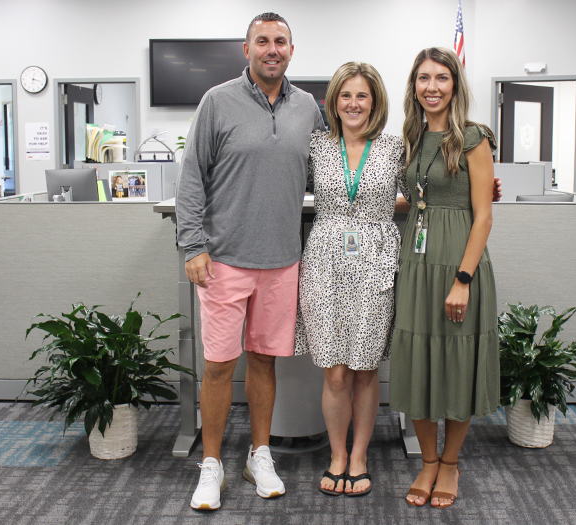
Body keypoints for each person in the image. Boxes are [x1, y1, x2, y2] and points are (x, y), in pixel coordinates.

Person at [176, 12, 324, 511]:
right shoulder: (217, 101)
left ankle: (260, 455)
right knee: (219, 366)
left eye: (280, 41)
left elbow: (332, 168)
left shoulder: (307, 108)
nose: (272, 49)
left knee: (263, 362)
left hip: (283, 260)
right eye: (262, 41)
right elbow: (191, 176)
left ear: (291, 49)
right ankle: (211, 465)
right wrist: (192, 245)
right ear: (247, 49)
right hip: (224, 260)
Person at [389, 47, 500, 509]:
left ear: (455, 84)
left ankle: (450, 464)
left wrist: (463, 279)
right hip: (415, 263)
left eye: (441, 78)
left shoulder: (473, 138)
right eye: (422, 78)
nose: (431, 87)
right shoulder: (410, 138)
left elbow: (483, 216)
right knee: (417, 360)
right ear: (413, 85)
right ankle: (428, 461)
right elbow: (414, 200)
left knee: (455, 364)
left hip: (458, 261)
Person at [295, 62, 409, 497]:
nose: (353, 103)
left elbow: (423, 191)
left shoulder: (394, 147)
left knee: (365, 369)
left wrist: (479, 187)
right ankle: (337, 454)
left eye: (362, 95)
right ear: (333, 101)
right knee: (336, 373)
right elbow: (280, 183)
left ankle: (359, 456)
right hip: (325, 260)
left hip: (376, 261)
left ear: (374, 101)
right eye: (346, 95)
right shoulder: (317, 147)